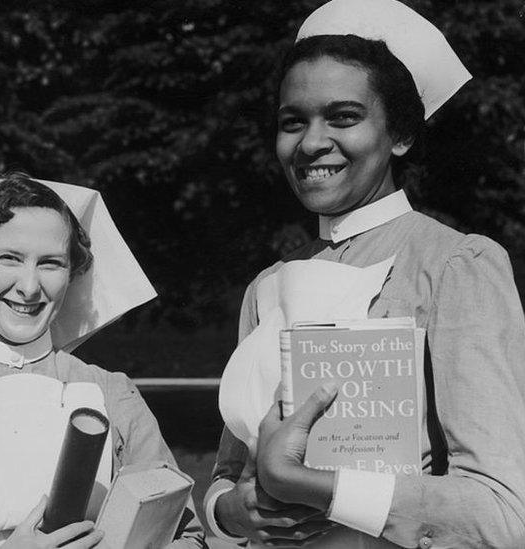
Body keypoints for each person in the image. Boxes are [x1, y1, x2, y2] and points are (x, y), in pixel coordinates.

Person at [203, 0, 525, 547]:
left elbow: (503, 516)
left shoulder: (455, 266)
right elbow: (229, 476)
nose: (311, 143)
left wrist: (311, 485)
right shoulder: (267, 287)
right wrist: (232, 513)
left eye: (344, 117)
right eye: (292, 122)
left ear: (399, 135)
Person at [0, 174, 206, 548]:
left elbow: (186, 536)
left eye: (51, 263)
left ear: (72, 273)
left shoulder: (112, 394)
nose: (29, 286)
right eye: (10, 258)